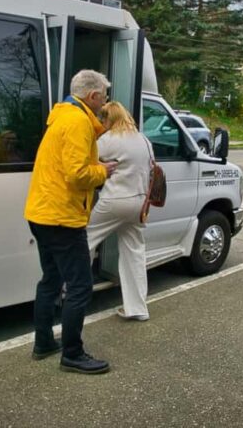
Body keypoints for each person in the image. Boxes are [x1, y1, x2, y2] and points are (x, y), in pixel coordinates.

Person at [24, 69, 118, 374]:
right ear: (92, 96)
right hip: (63, 218)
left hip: (41, 213)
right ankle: (73, 354)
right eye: (104, 96)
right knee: (80, 286)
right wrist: (104, 171)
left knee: (50, 280)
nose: (105, 102)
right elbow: (77, 175)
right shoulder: (78, 121)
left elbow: (69, 165)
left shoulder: (62, 117)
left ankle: (43, 342)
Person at [87, 101, 153, 322]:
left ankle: (69, 293)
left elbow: (88, 163)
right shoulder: (143, 139)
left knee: (84, 240)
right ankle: (137, 309)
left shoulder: (108, 140)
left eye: (102, 120)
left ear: (108, 119)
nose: (101, 124)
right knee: (134, 253)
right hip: (139, 203)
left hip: (114, 202)